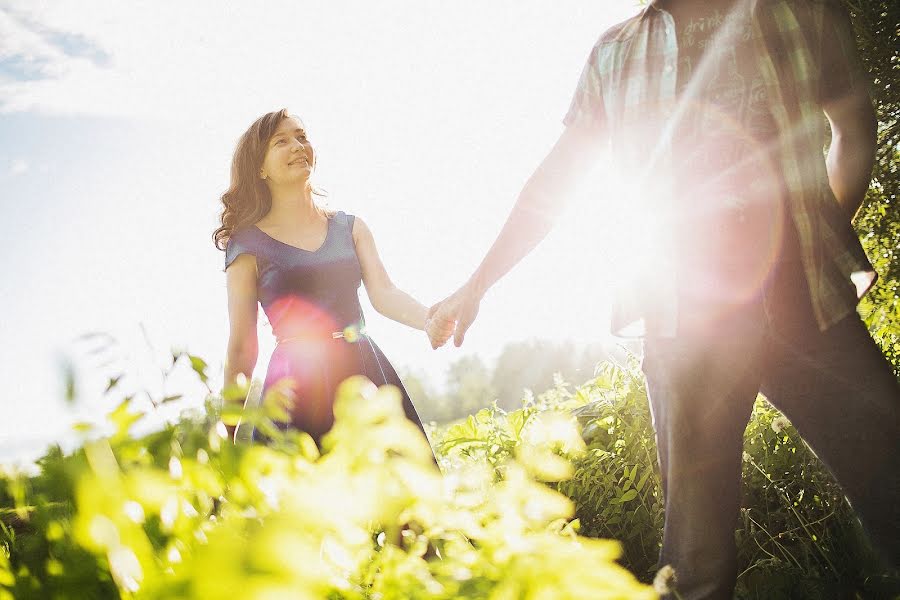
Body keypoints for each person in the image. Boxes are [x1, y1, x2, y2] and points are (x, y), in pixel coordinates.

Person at [428, 0, 899, 597]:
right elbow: (555, 183)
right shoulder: (614, 52)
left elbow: (854, 128)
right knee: (696, 562)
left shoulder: (800, 14)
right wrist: (476, 286)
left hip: (807, 308)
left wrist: (819, 246)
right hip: (687, 322)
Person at [214, 108, 439, 458]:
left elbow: (385, 294)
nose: (297, 146)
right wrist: (227, 431)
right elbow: (242, 347)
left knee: (400, 500)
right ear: (259, 167)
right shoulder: (246, 247)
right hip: (295, 388)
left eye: (302, 136)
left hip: (364, 373)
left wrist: (429, 319)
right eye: (282, 141)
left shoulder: (350, 228)